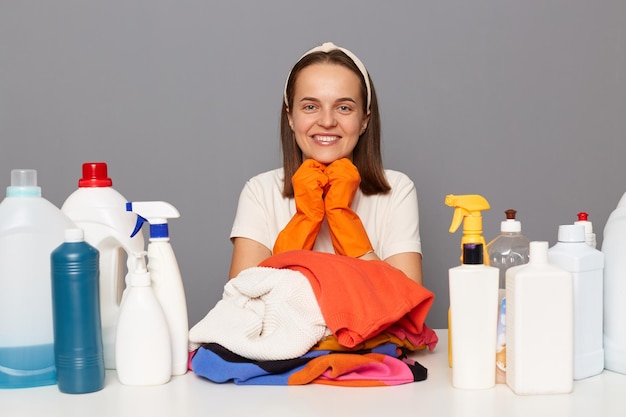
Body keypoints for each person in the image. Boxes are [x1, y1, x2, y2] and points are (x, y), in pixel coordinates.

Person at [228, 42, 423, 285]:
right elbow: (242, 306)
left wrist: (342, 218)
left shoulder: (397, 189)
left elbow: (409, 307)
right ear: (290, 117)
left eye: (344, 107)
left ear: (364, 120)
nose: (327, 121)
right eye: (311, 106)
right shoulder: (259, 192)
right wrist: (305, 219)